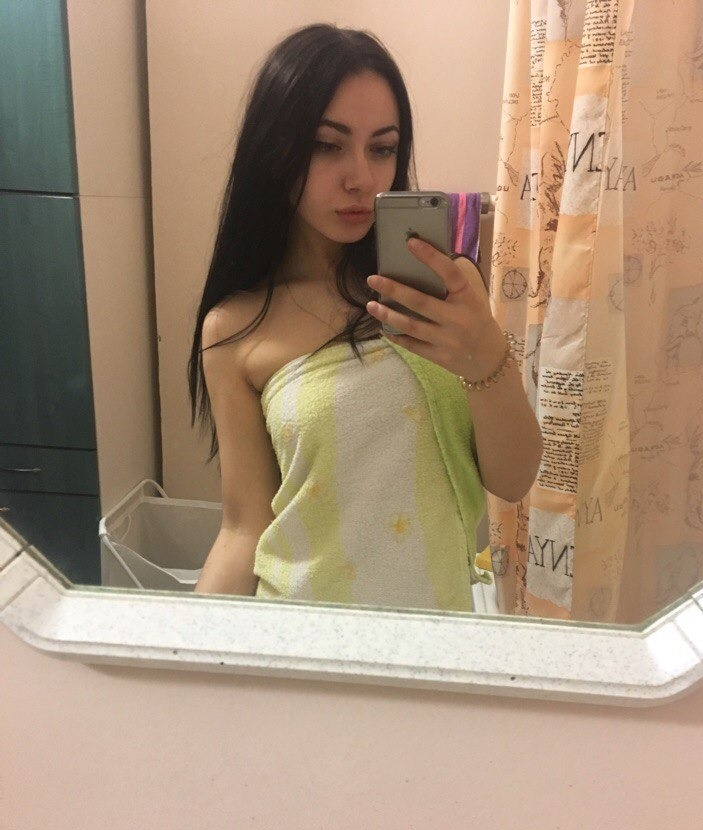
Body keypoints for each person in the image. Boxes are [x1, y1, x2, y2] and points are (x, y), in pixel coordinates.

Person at [189, 23, 542, 611]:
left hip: (433, 638)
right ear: (275, 149)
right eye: (327, 145)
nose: (361, 178)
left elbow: (514, 478)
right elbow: (244, 527)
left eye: (382, 148)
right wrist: (181, 652)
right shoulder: (233, 329)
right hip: (302, 637)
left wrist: (487, 358)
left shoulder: (440, 293)